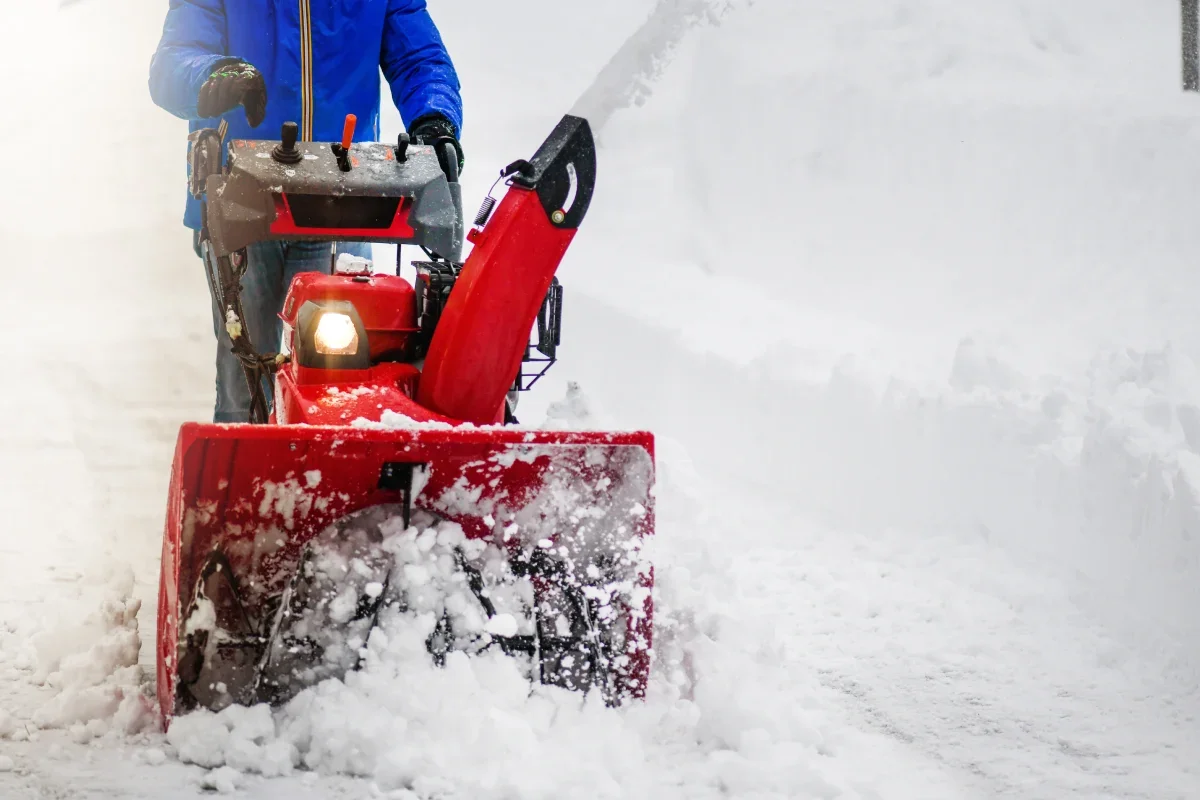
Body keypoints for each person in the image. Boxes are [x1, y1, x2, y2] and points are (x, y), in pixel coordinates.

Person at [148, 0, 464, 423]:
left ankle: (328, 481)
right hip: (241, 198)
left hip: (348, 201)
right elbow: (173, 62)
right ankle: (244, 483)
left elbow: (419, 59)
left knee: (339, 379)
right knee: (246, 380)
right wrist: (213, 75)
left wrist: (435, 117)